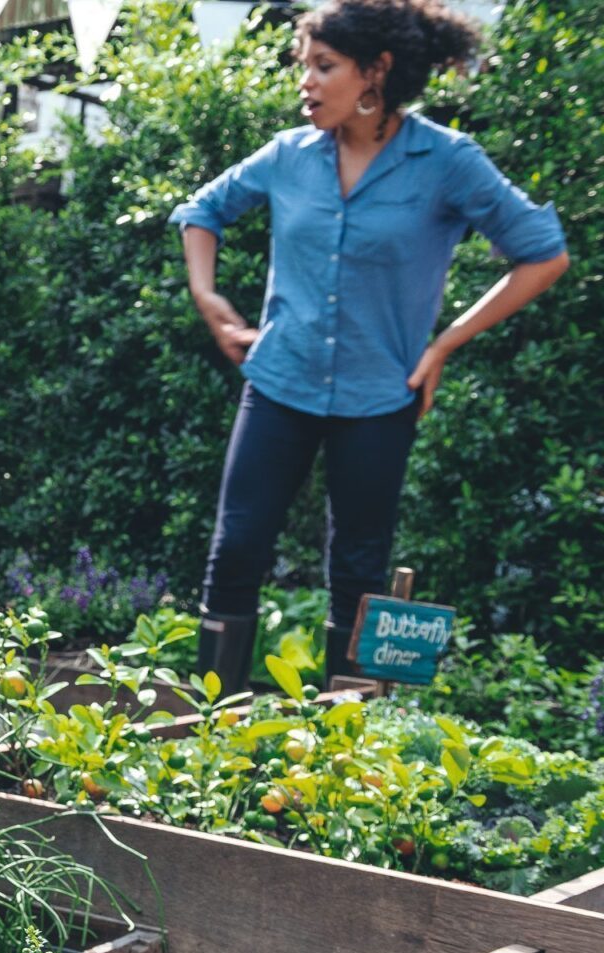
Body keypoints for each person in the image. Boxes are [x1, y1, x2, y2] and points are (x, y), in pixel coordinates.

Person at [171, 0, 568, 691]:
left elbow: (542, 254)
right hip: (279, 384)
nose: (307, 83)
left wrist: (444, 344)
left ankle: (343, 748)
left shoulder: (446, 162)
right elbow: (202, 211)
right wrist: (209, 299)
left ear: (376, 72)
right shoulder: (288, 157)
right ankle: (209, 733)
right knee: (235, 550)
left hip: (380, 397)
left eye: (324, 67)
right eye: (306, 67)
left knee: (357, 570)